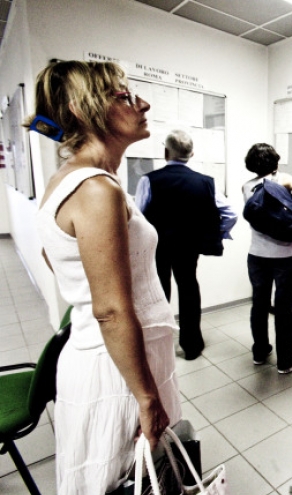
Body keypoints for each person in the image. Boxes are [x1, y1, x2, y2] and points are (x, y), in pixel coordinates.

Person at [28, 60, 181, 494]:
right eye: (123, 96)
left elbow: (54, 256)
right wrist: (146, 396)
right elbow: (111, 310)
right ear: (82, 109)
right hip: (118, 370)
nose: (142, 103)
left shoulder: (72, 180)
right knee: (123, 482)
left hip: (117, 360)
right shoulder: (96, 189)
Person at [135, 129, 237, 360]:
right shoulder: (206, 182)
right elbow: (230, 214)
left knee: (159, 292)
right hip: (189, 246)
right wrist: (216, 234)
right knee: (189, 288)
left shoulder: (148, 180)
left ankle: (159, 346)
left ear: (165, 152)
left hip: (158, 247)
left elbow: (138, 218)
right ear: (191, 154)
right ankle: (191, 346)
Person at [242, 143, 292, 374]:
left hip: (256, 255)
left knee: (259, 304)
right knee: (283, 308)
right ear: (275, 161)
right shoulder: (282, 179)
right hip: (285, 255)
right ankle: (286, 360)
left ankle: (260, 351)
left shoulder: (246, 186)